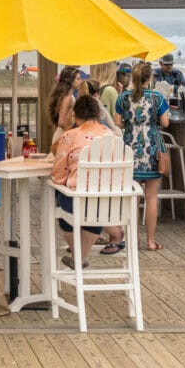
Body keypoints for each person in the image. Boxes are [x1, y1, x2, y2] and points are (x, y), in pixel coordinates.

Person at [51, 94, 120, 268]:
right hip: (110, 204)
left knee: (59, 194)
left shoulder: (70, 136)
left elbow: (58, 176)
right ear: (98, 114)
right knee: (96, 208)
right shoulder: (113, 136)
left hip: (77, 202)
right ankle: (79, 258)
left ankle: (78, 256)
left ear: (76, 115)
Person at [115, 62, 170, 251]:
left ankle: (132, 240)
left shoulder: (122, 98)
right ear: (150, 78)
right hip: (152, 150)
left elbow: (117, 123)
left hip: (130, 150)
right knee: (151, 197)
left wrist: (132, 124)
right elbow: (165, 122)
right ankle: (151, 241)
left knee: (133, 198)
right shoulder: (157, 97)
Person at [48, 66, 82, 153]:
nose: (80, 81)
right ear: (71, 80)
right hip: (64, 135)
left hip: (62, 134)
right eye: (78, 79)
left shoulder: (64, 95)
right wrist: (73, 132)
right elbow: (61, 121)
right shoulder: (68, 97)